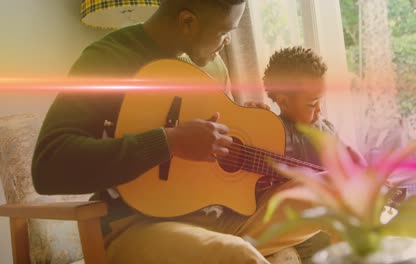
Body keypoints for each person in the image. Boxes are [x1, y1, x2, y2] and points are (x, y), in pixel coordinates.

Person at [32, 1, 322, 263]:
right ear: (187, 22)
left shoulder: (213, 66)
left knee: (332, 196)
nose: (227, 41)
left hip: (215, 219)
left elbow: (204, 169)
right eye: (223, 32)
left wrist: (242, 131)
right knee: (237, 255)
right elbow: (48, 166)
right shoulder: (107, 60)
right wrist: (169, 142)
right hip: (134, 226)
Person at [261, 46, 367, 263]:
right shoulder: (272, 132)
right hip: (299, 239)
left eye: (321, 101)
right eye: (312, 104)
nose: (319, 110)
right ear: (283, 101)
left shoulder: (325, 128)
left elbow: (350, 158)